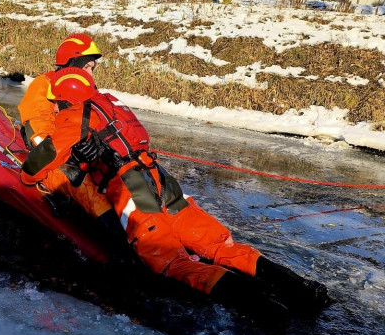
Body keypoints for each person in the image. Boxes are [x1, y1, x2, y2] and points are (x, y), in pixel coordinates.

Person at [20, 66, 331, 314]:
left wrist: (26, 178)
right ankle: (300, 290)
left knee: (168, 260)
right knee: (217, 244)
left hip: (132, 189)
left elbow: (45, 158)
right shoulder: (111, 102)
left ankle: (266, 312)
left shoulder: (75, 115)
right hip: (161, 181)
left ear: (63, 99)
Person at [18, 34, 118, 225]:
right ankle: (119, 237)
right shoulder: (45, 84)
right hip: (56, 160)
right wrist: (72, 153)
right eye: (87, 67)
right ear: (71, 64)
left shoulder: (85, 88)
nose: (90, 74)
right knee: (80, 182)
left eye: (92, 68)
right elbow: (39, 135)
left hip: (85, 158)